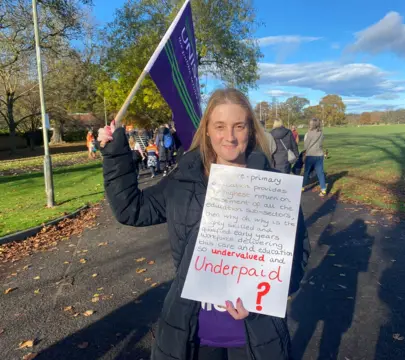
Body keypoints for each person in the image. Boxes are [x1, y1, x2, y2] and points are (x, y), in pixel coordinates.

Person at [97, 88, 310, 360]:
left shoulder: (274, 187)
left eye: (239, 126)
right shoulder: (185, 180)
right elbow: (132, 209)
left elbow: (298, 256)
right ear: (207, 130)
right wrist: (114, 153)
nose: (229, 136)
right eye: (220, 126)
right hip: (191, 338)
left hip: (254, 339)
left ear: (251, 131)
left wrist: (261, 302)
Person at [303, 118, 327, 196]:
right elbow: (321, 143)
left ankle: (302, 187)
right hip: (319, 155)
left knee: (306, 172)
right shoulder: (321, 133)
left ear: (312, 124)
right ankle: (323, 189)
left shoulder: (309, 133)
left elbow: (305, 145)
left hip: (311, 155)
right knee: (320, 172)